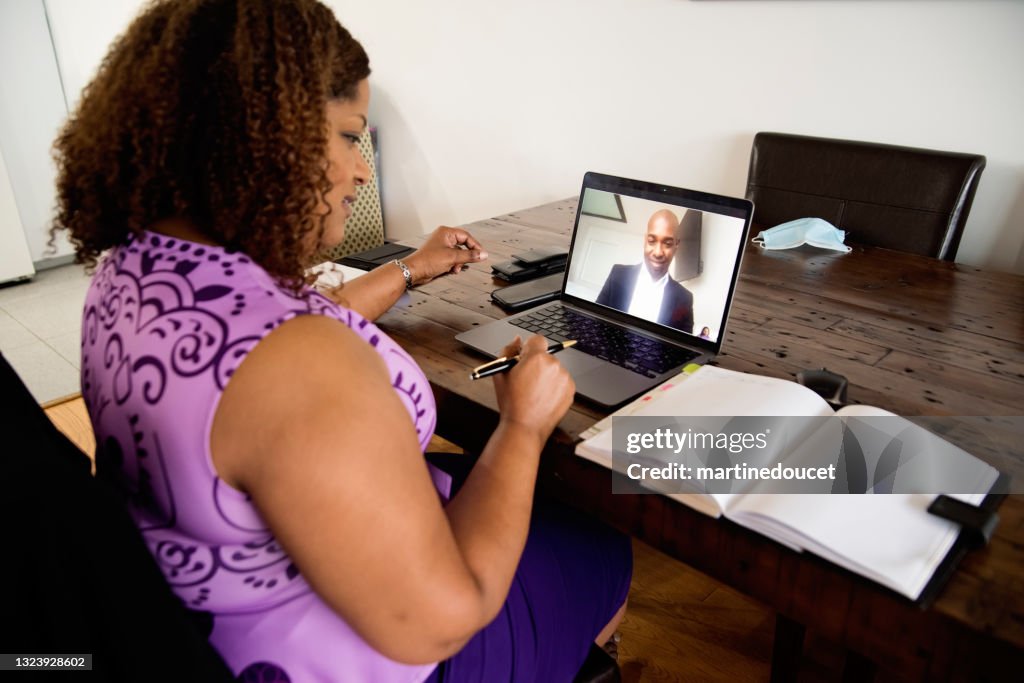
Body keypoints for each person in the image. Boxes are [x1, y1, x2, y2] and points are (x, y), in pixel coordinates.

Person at [50, 1, 631, 681]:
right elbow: (441, 619)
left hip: (195, 621)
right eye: (350, 136)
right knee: (604, 538)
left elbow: (283, 330)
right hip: (367, 652)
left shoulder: (134, 269)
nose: (361, 169)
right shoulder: (299, 367)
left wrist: (410, 268)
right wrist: (523, 426)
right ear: (267, 137)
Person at [595, 209, 694, 333]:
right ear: (645, 240)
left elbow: (684, 348)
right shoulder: (618, 274)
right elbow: (595, 319)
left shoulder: (685, 298)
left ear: (676, 246)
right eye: (652, 241)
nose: (658, 252)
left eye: (667, 244)